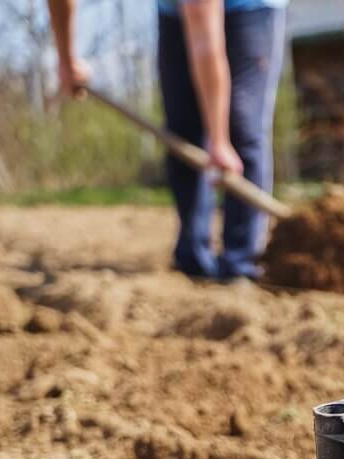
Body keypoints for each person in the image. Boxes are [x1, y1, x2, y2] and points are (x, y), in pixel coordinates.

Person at [48, 0, 287, 282]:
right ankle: (193, 258)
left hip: (248, 8)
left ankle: (240, 262)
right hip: (176, 9)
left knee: (240, 126)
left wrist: (219, 140)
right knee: (182, 129)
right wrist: (66, 59)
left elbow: (205, 38)